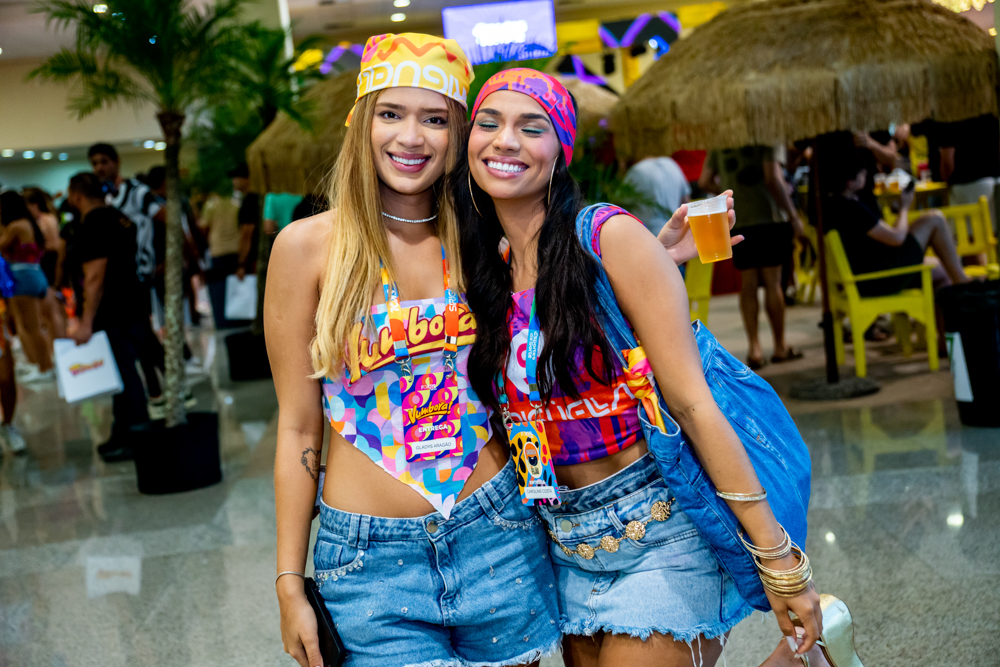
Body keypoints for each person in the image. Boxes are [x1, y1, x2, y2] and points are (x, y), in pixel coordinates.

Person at [461, 68, 832, 667]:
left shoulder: (606, 233)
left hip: (659, 530)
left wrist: (779, 559)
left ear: (561, 149)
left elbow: (691, 403)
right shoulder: (492, 270)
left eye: (531, 128)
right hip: (565, 544)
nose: (505, 140)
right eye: (489, 123)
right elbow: (565, 334)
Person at [266, 33, 563, 667]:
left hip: (500, 536)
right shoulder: (306, 249)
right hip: (367, 565)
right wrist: (289, 579)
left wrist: (651, 259)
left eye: (434, 119)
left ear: (458, 135)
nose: (411, 137)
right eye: (391, 114)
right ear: (361, 124)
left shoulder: (489, 241)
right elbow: (296, 426)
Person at [65, 173, 151, 463]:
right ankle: (122, 432)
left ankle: (137, 433)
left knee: (125, 373)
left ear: (76, 195)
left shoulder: (93, 224)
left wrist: (85, 321)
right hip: (133, 303)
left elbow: (95, 276)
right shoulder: (118, 216)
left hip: (113, 309)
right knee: (121, 372)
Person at [700, 146, 805, 369]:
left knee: (747, 284)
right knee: (773, 283)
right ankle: (780, 346)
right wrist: (794, 216)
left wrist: (732, 192)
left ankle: (755, 349)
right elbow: (772, 178)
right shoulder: (766, 133)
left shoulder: (722, 139)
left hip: (739, 219)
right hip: (769, 217)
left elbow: (704, 182)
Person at [825, 153, 970, 296]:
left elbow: (887, 236)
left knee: (942, 270)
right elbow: (897, 238)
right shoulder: (851, 208)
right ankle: (963, 283)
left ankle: (944, 314)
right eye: (862, 174)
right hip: (877, 279)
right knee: (935, 219)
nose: (865, 177)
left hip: (867, 276)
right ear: (850, 182)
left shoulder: (835, 206)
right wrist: (904, 207)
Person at [0, 191, 54, 383]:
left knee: (31, 326)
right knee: (34, 324)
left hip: (23, 277)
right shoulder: (29, 223)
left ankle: (45, 366)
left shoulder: (15, 226)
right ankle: (42, 364)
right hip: (34, 274)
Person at [938, 114, 1000, 232]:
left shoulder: (951, 121)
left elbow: (947, 161)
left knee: (967, 236)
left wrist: (948, 181)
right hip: (994, 183)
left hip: (964, 186)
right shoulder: (992, 117)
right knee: (994, 233)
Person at [22, 187, 68, 341]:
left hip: (50, 264)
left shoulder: (47, 219)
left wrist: (34, 248)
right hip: (44, 264)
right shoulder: (37, 221)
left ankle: (60, 341)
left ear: (34, 205)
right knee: (49, 308)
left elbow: (55, 245)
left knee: (52, 306)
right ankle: (57, 340)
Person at [623, 156, 691, 236]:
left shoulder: (636, 172)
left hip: (647, 235)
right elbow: (686, 200)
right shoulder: (671, 164)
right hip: (674, 232)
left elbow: (621, 208)